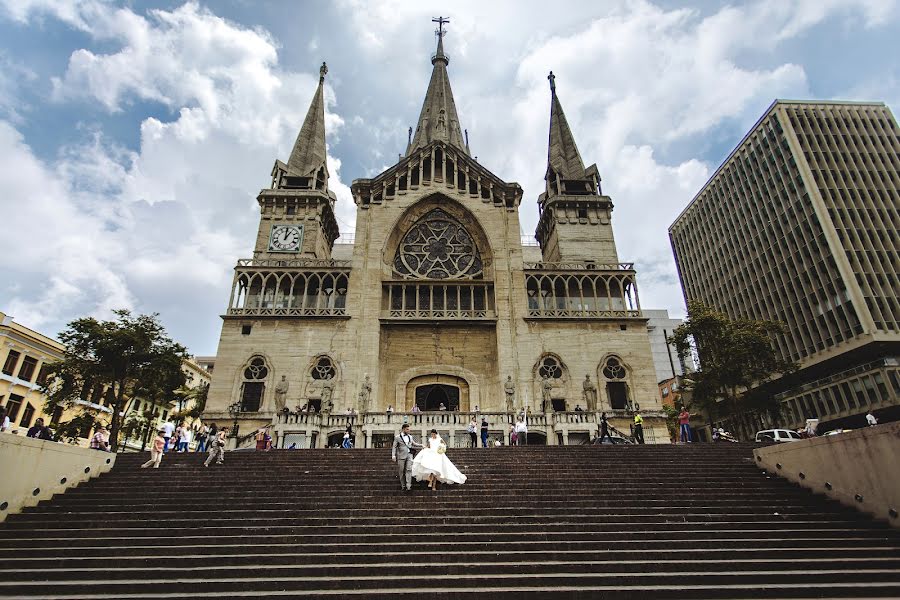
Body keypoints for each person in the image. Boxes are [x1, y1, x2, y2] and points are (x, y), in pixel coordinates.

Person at [391, 423, 423, 492]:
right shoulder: (397, 437)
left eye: (409, 429)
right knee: (401, 471)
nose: (409, 430)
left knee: (409, 470)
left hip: (409, 455)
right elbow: (394, 446)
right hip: (401, 456)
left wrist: (421, 445)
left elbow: (414, 443)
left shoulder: (410, 437)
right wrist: (393, 455)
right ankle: (403, 486)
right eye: (407, 429)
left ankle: (408, 486)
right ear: (403, 429)